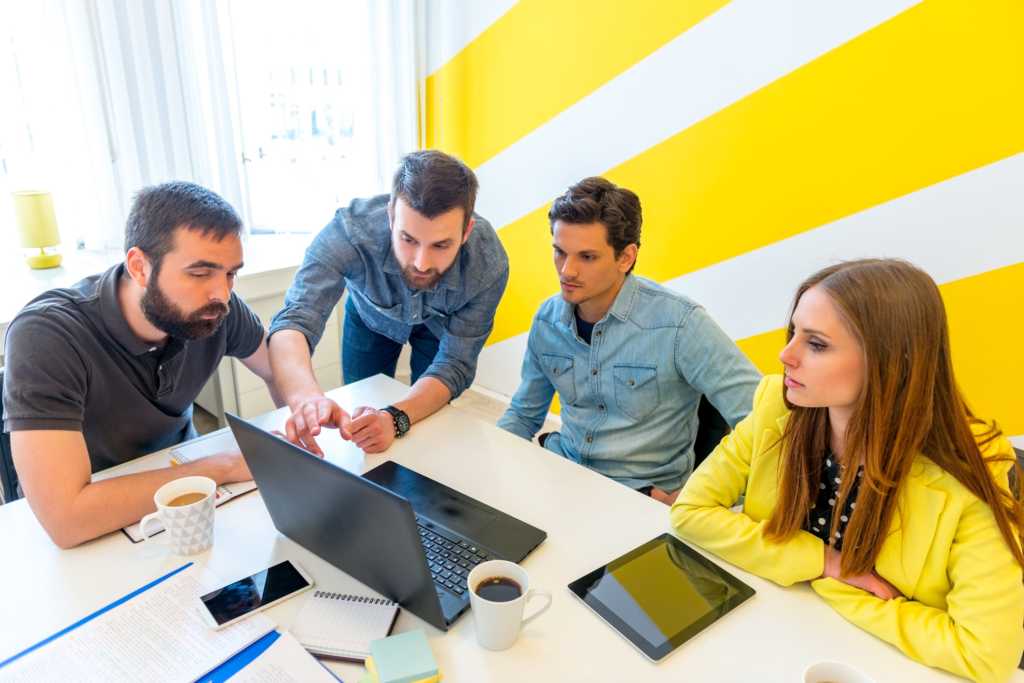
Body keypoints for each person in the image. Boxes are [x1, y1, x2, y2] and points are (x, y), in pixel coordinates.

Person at [671, 259, 1024, 681]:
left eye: (816, 344)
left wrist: (832, 587)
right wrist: (825, 562)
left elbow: (985, 655)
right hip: (776, 641)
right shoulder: (775, 404)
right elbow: (690, 512)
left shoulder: (974, 467)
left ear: (889, 360)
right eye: (794, 334)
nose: (786, 355)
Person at [3, 182, 280, 548]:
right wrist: (221, 467)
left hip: (186, 489)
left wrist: (306, 410)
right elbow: (66, 519)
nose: (222, 293)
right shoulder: (47, 335)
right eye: (199, 273)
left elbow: (277, 367)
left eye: (230, 273)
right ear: (139, 267)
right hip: (94, 523)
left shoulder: (215, 308)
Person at [497, 177, 760, 503]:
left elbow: (766, 429)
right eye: (559, 252)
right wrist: (490, 468)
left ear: (626, 257)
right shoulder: (547, 319)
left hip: (639, 498)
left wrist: (702, 500)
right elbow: (524, 414)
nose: (567, 271)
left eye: (587, 257)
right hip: (564, 472)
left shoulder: (681, 325)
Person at [268, 150, 508, 455]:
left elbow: (455, 364)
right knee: (360, 413)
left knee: (427, 424)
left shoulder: (489, 264)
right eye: (408, 239)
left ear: (466, 232)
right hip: (370, 317)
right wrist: (306, 399)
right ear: (391, 215)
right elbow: (293, 321)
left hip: (438, 327)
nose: (422, 263)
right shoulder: (349, 233)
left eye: (441, 245)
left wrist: (395, 418)